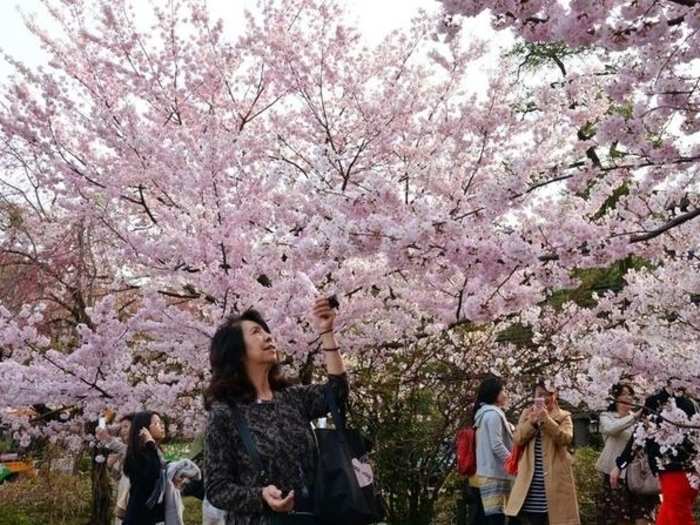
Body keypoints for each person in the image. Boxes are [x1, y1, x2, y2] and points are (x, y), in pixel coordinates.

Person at [204, 297, 348, 525]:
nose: (269, 337)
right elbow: (216, 488)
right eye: (256, 332)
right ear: (236, 351)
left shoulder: (291, 397)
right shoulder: (225, 413)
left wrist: (327, 333)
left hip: (310, 516)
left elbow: (336, 393)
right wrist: (260, 496)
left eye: (267, 332)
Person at [611, 387, 698, 525]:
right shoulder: (659, 401)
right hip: (676, 467)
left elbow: (639, 435)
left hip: (682, 467)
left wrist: (621, 464)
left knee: (676, 514)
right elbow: (640, 434)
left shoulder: (687, 403)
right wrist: (621, 463)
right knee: (672, 513)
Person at [505, 380, 580, 525]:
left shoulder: (564, 416)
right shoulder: (527, 414)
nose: (545, 398)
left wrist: (546, 419)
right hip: (529, 483)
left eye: (549, 394)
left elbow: (566, 438)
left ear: (556, 395)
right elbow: (518, 439)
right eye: (540, 394)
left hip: (555, 482)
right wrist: (531, 423)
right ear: (534, 396)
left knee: (552, 519)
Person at [595, 384, 656, 525]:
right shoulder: (607, 416)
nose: (628, 397)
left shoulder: (638, 419)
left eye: (630, 394)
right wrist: (634, 417)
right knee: (619, 517)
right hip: (614, 472)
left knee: (642, 515)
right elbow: (611, 429)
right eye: (624, 393)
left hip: (637, 472)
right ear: (615, 398)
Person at [472, 375, 514, 524]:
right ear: (494, 394)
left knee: (485, 518)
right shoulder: (494, 415)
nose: (505, 394)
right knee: (496, 518)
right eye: (502, 390)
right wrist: (513, 463)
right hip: (495, 475)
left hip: (485, 473)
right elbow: (496, 445)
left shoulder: (482, 414)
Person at [122, 411, 167, 525]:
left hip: (151, 517)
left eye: (161, 422)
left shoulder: (154, 451)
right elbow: (153, 475)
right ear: (144, 429)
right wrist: (150, 443)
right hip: (139, 518)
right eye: (156, 423)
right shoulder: (138, 455)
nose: (162, 426)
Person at [97, 413, 134, 525]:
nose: (122, 430)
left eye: (126, 426)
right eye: (121, 427)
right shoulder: (123, 449)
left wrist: (102, 418)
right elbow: (117, 477)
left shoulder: (138, 450)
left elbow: (104, 437)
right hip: (123, 497)